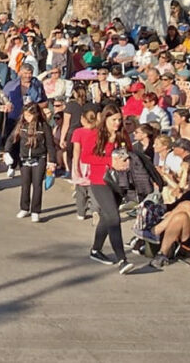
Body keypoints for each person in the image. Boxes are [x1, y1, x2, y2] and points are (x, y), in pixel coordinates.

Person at [76, 105, 136, 274]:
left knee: (106, 216)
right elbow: (85, 157)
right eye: (114, 120)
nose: (117, 123)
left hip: (119, 182)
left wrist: (128, 161)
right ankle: (122, 259)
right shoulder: (95, 134)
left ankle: (96, 250)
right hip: (100, 181)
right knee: (114, 217)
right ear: (105, 119)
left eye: (119, 119)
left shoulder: (122, 135)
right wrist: (109, 161)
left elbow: (130, 153)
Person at [8, 103, 56, 222]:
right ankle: (24, 208)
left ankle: (35, 211)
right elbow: (11, 139)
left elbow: (50, 145)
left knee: (37, 185)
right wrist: (6, 152)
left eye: (29, 115)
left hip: (39, 158)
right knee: (25, 184)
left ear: (36, 114)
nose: (27, 118)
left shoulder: (44, 126)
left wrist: (52, 161)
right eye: (25, 115)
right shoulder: (21, 125)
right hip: (24, 159)